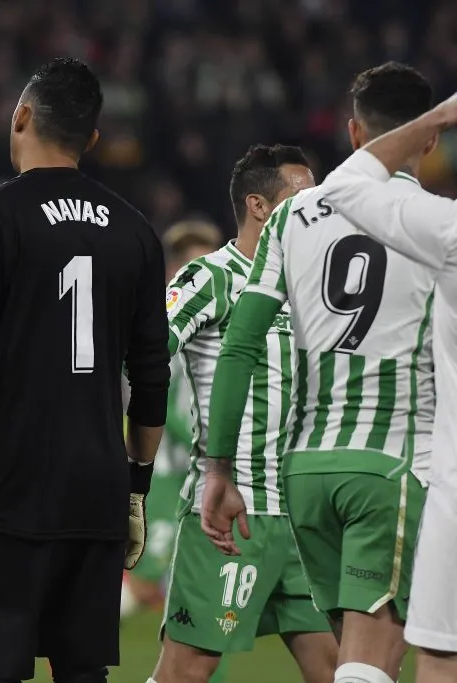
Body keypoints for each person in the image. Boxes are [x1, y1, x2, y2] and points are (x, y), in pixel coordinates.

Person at [0, 57, 170, 683]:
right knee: (82, 672)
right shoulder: (135, 231)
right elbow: (151, 375)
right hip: (98, 488)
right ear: (93, 141)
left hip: (9, 489)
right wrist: (135, 489)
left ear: (20, 116)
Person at [202, 62, 437, 683]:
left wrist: (219, 468)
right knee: (379, 656)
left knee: (355, 659)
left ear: (355, 133)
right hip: (394, 465)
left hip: (305, 471)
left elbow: (240, 345)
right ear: (432, 139)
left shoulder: (290, 217)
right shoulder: (439, 224)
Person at [148, 145, 337, 683]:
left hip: (305, 515)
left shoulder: (316, 287)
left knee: (339, 669)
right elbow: (145, 351)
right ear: (258, 205)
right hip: (235, 512)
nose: (315, 211)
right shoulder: (210, 277)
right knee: (186, 671)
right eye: (302, 199)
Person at [310, 88, 457, 683]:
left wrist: (441, 116)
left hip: (442, 481)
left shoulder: (448, 228)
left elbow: (346, 184)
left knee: (440, 656)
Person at [122, 220, 223, 619]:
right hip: (164, 470)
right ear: (173, 271)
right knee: (146, 578)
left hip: (204, 471)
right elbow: (142, 391)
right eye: (192, 266)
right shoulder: (160, 320)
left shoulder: (228, 316)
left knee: (202, 588)